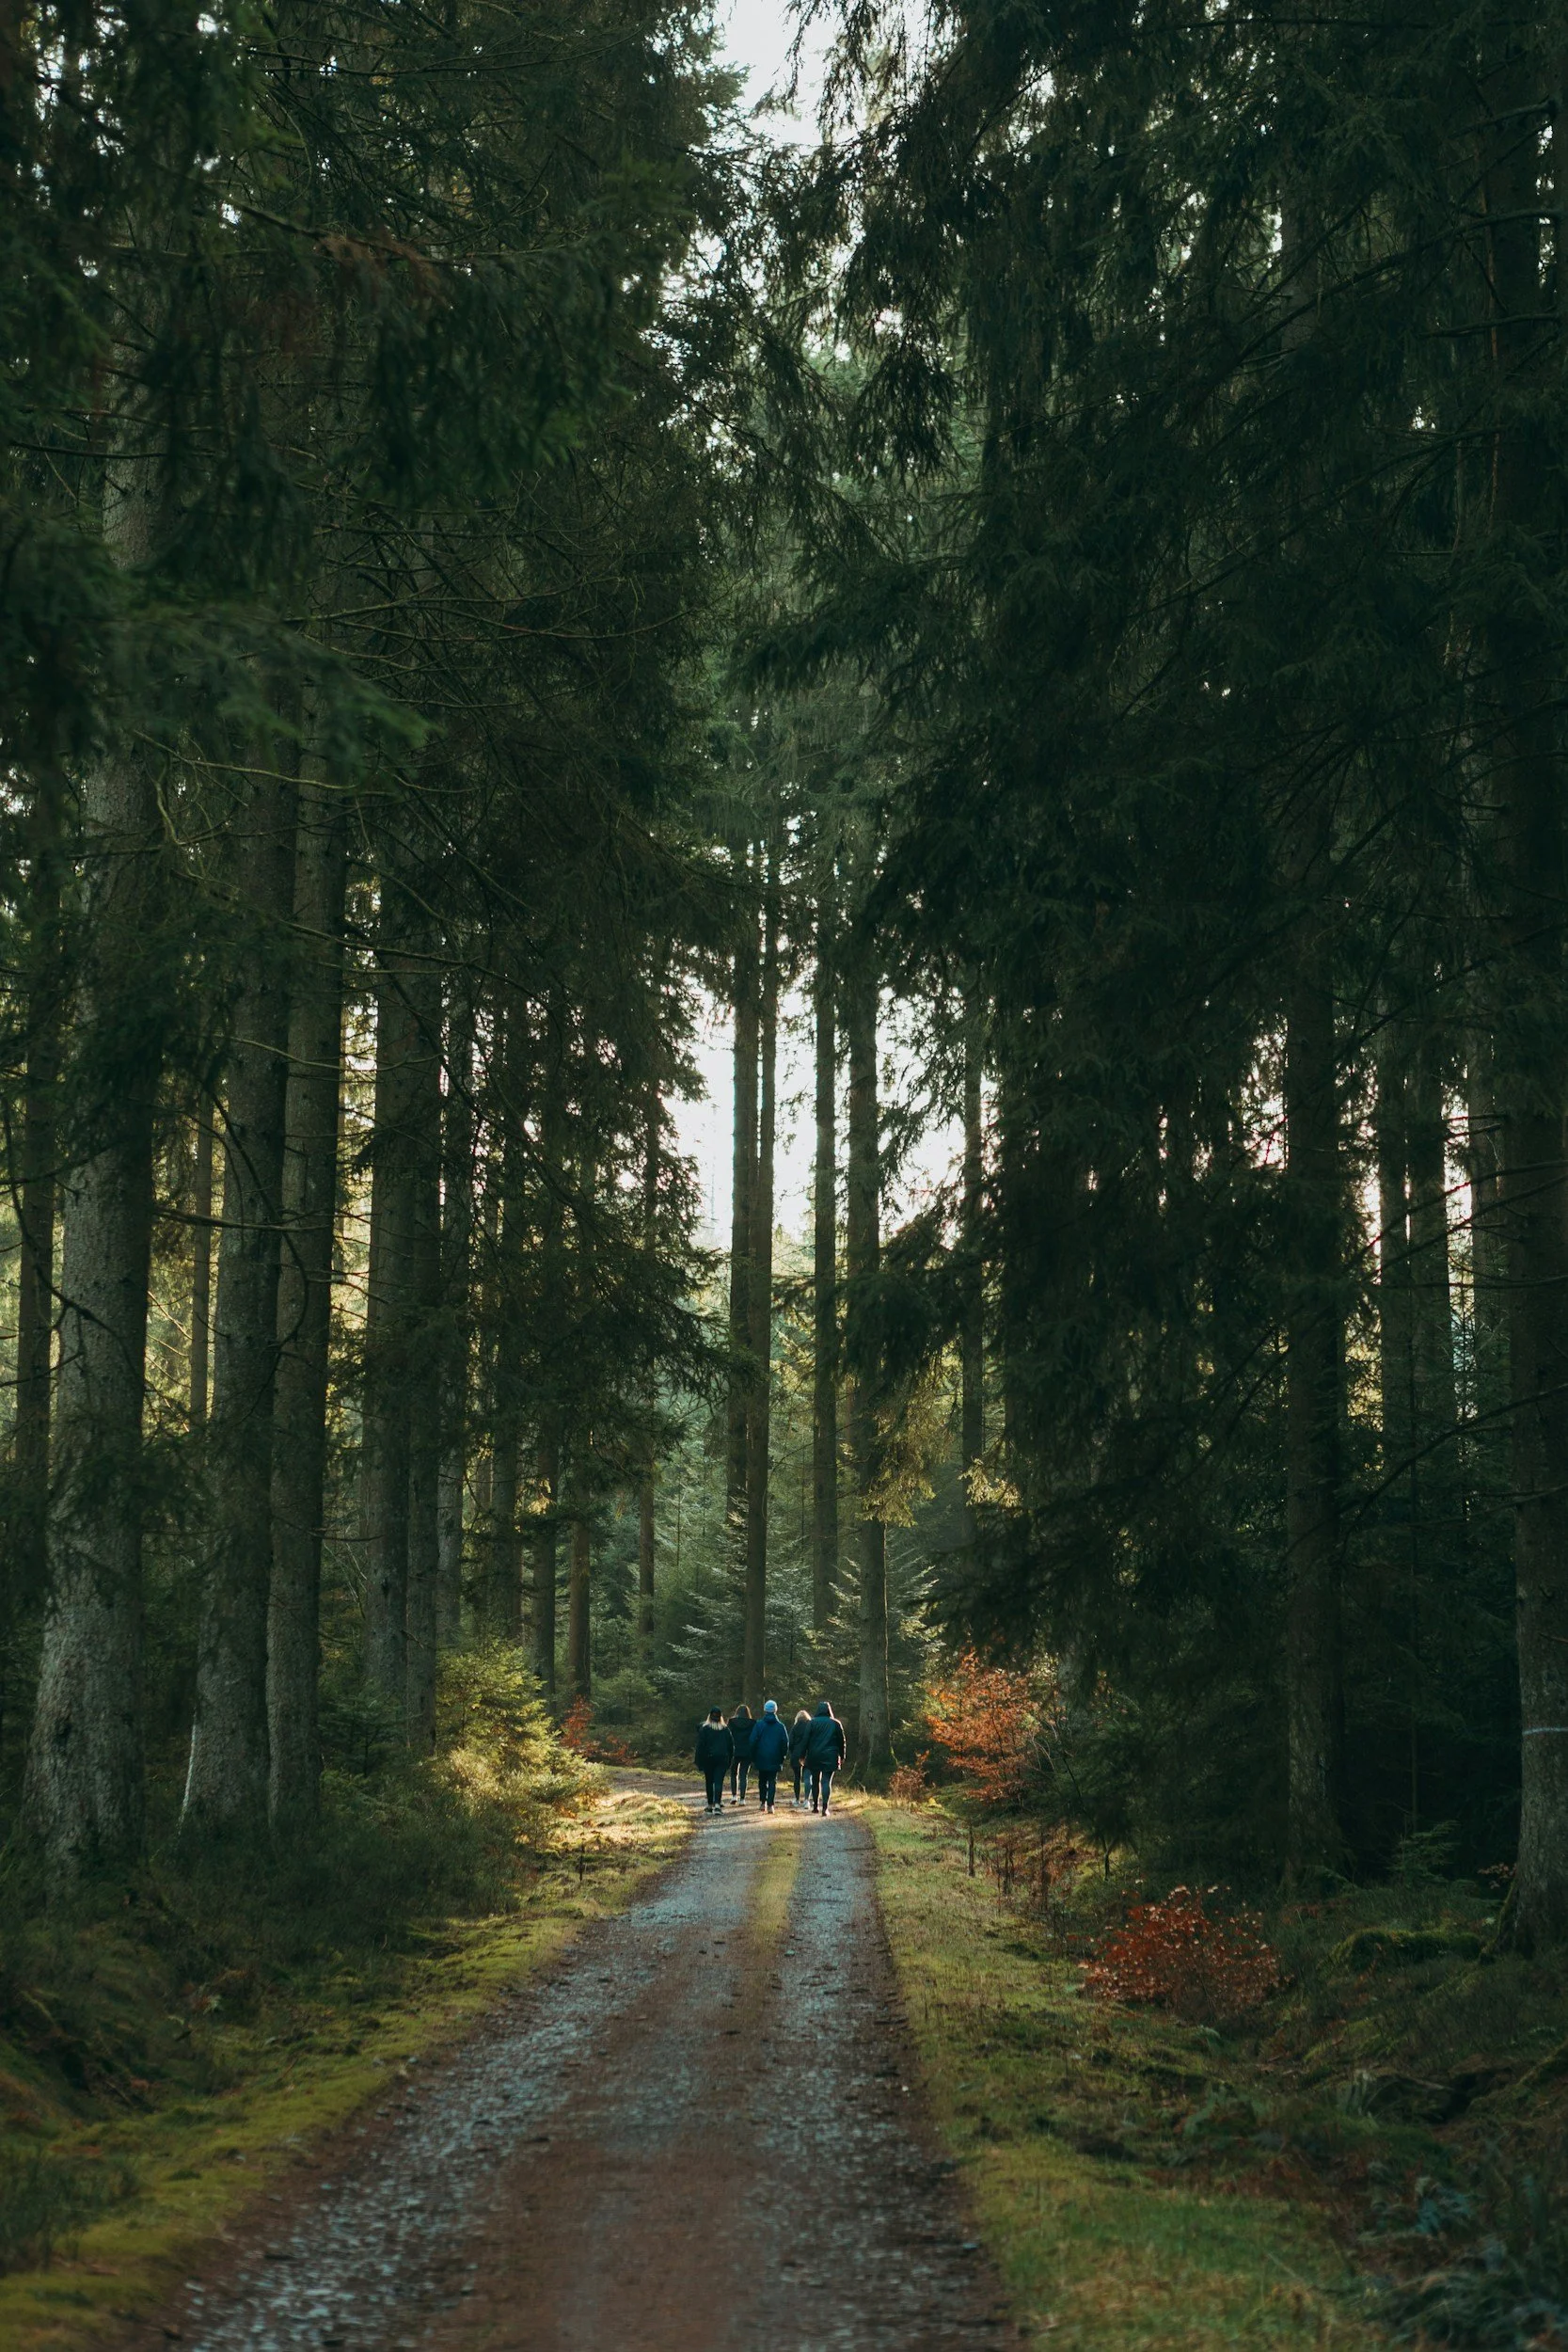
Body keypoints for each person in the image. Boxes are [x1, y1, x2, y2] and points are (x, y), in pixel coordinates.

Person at [803, 1699, 847, 1814]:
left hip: (814, 1755)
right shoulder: (836, 1723)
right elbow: (841, 1742)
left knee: (815, 1780)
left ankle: (815, 1806)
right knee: (826, 1781)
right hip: (830, 1756)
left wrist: (803, 1755)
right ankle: (825, 1808)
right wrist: (842, 1756)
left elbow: (805, 1740)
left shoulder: (811, 1723)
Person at [749, 1700, 791, 1813]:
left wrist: (753, 1756)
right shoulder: (781, 1726)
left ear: (765, 1710)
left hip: (761, 1756)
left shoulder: (759, 1725)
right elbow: (785, 1743)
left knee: (762, 1780)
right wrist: (782, 1756)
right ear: (775, 1710)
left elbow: (752, 1741)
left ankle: (763, 1802)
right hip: (775, 1757)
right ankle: (771, 1804)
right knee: (772, 1781)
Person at [695, 1708, 731, 1815]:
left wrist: (699, 1761)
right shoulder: (725, 1729)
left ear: (709, 1717)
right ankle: (717, 1805)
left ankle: (710, 1805)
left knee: (709, 1782)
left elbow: (700, 1746)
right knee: (719, 1782)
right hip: (722, 1759)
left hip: (708, 1759)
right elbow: (731, 1746)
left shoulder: (705, 1729)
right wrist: (729, 1760)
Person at [727, 1701, 754, 1804]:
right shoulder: (752, 1723)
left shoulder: (731, 1722)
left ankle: (734, 1796)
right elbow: (753, 1738)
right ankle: (743, 1799)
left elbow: (728, 1737)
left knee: (733, 1773)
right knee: (744, 1775)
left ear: (737, 1712)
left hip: (734, 1751)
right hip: (747, 1752)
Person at [787, 1708, 813, 1807]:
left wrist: (793, 1753)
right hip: (808, 1755)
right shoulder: (811, 1727)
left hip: (796, 1755)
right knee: (807, 1778)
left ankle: (797, 1800)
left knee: (797, 1778)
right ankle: (807, 1800)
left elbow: (791, 1743)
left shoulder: (794, 1728)